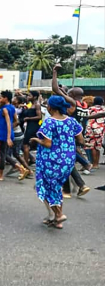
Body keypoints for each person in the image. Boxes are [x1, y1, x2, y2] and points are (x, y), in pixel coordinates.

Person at [29, 96, 84, 229]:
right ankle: (56, 220)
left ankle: (58, 214)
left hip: (51, 160)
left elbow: (47, 144)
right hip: (68, 160)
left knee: (44, 187)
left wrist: (36, 140)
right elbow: (81, 140)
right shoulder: (71, 121)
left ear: (51, 107)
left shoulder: (49, 122)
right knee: (56, 188)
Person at [51, 65, 91, 198]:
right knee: (68, 162)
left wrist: (55, 72)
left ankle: (68, 190)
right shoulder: (85, 106)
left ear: (72, 95)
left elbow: (55, 89)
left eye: (69, 93)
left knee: (64, 162)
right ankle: (80, 184)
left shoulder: (72, 103)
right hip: (78, 134)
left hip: (67, 136)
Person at [0, 91, 29, 181]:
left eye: (1, 97)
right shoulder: (11, 108)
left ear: (6, 98)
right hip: (6, 133)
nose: (0, 99)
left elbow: (8, 124)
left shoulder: (5, 109)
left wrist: (7, 137)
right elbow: (15, 121)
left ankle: (1, 174)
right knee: (4, 154)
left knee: (2, 154)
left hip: (4, 135)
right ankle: (20, 168)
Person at [21, 91, 42, 166]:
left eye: (30, 96)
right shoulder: (31, 105)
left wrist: (28, 118)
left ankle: (25, 165)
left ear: (35, 97)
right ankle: (29, 161)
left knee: (25, 145)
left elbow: (39, 117)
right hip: (30, 126)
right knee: (25, 145)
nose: (28, 97)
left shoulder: (37, 105)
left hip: (33, 127)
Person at [85, 96, 104, 168]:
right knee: (98, 147)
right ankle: (96, 164)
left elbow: (86, 118)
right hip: (101, 130)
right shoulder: (103, 109)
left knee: (92, 147)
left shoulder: (90, 109)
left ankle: (92, 164)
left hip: (91, 129)